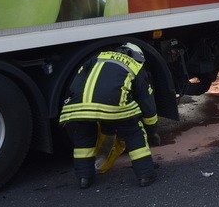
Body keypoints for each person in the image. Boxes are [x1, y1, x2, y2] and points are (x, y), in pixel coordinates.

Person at [59, 42, 160, 189]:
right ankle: (146, 175)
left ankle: (84, 179)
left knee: (84, 138)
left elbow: (75, 84)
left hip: (79, 106)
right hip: (115, 105)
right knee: (134, 134)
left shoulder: (96, 57)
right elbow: (147, 102)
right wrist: (152, 131)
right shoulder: (134, 65)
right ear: (135, 56)